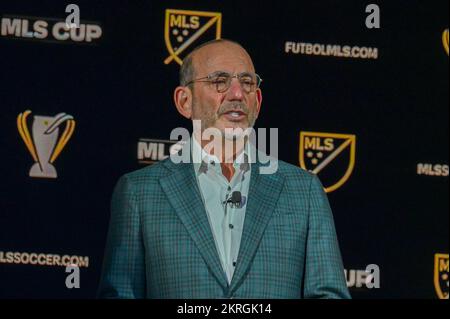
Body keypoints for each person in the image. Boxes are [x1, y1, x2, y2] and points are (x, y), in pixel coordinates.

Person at [98, 39, 350, 299]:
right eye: (219, 81)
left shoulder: (304, 191)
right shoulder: (139, 193)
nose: (237, 94)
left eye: (247, 83)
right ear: (185, 101)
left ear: (258, 101)